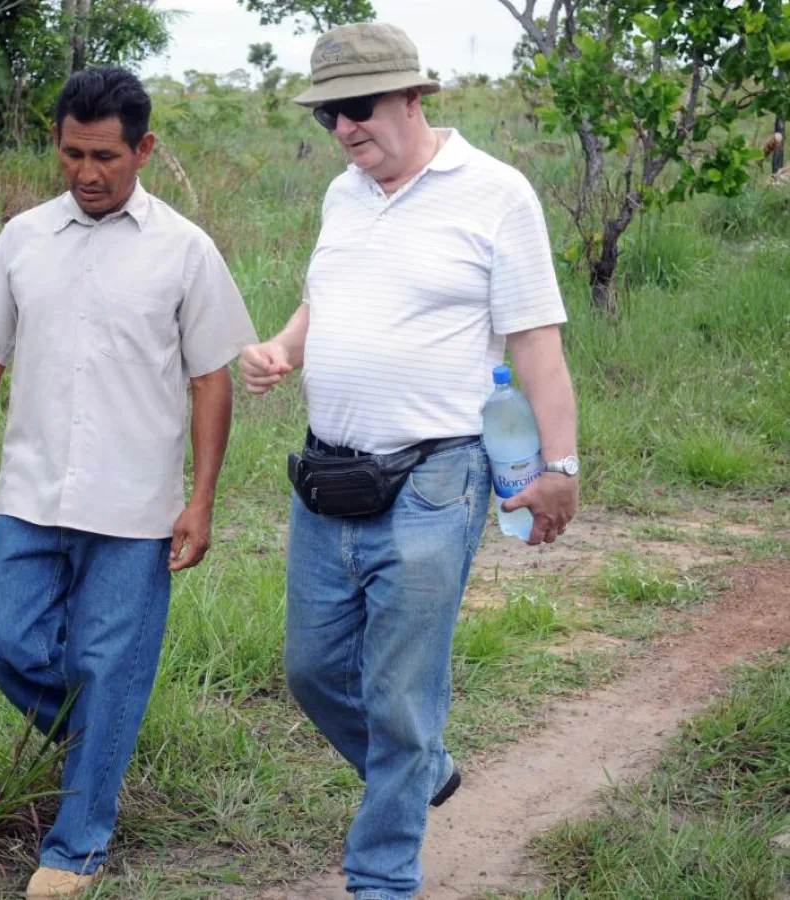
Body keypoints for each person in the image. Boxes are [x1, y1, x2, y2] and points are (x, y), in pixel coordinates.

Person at [239, 23, 580, 900]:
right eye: (329, 116)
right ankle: (420, 768)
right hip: (327, 478)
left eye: (358, 108)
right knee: (312, 673)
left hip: (437, 482)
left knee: (398, 694)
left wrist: (561, 466)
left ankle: (381, 876)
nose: (345, 129)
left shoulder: (497, 194)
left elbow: (536, 342)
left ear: (413, 98)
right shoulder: (342, 196)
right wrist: (284, 345)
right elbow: (326, 296)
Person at [0, 66, 257, 899]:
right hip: (30, 492)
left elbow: (211, 379)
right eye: (72, 153)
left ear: (143, 149)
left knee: (110, 665)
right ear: (57, 145)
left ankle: (76, 848)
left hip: (136, 506)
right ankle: (96, 748)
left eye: (106, 155)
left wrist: (201, 498)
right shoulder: (24, 237)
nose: (88, 173)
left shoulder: (185, 250)